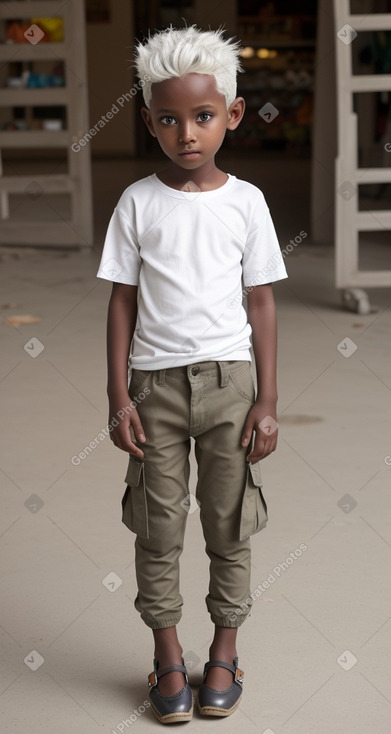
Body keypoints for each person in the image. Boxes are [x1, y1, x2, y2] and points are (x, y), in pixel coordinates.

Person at [97, 24, 288, 724]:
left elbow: (261, 300)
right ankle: (168, 657)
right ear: (149, 121)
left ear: (231, 116)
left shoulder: (246, 203)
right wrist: (118, 394)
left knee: (228, 522)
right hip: (154, 388)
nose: (187, 134)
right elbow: (121, 299)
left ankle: (223, 655)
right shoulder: (138, 204)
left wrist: (266, 399)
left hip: (230, 387)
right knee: (157, 524)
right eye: (170, 119)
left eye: (203, 117)